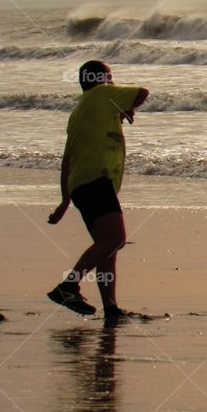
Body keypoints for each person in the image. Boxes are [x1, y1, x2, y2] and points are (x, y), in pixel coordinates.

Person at [47, 60, 149, 317]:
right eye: (110, 78)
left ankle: (111, 308)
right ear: (101, 79)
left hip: (81, 185)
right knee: (115, 239)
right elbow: (142, 93)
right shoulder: (102, 95)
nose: (113, 82)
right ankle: (68, 285)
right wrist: (122, 105)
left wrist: (65, 200)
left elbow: (67, 159)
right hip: (96, 181)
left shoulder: (80, 111)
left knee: (107, 246)